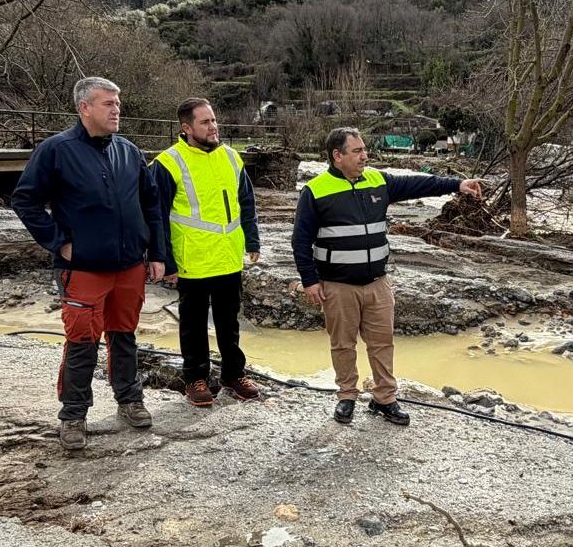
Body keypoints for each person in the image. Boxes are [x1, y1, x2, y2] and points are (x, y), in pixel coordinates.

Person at [10, 76, 165, 451]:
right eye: (107, 103)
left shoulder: (129, 151)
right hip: (83, 268)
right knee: (82, 340)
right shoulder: (56, 150)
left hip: (129, 265)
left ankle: (130, 400)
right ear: (84, 108)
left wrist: (158, 253)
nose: (116, 109)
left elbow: (151, 205)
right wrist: (59, 243)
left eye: (117, 102)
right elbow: (25, 200)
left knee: (124, 334)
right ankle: (73, 415)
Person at [292, 127, 482, 426]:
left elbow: (419, 185)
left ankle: (385, 399)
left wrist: (457, 184)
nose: (364, 156)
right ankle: (346, 396)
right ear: (337, 156)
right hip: (338, 285)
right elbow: (300, 241)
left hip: (377, 283)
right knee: (343, 344)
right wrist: (309, 280)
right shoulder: (315, 191)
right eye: (357, 151)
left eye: (364, 149)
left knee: (382, 343)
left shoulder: (378, 181)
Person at [152, 98, 262, 407]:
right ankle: (196, 378)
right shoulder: (168, 163)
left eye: (214, 121)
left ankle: (233, 374)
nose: (213, 127)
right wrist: (165, 259)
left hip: (228, 257)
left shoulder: (231, 157)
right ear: (186, 128)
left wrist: (252, 241)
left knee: (229, 321)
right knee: (193, 324)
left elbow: (247, 202)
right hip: (193, 260)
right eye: (205, 122)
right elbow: (156, 215)